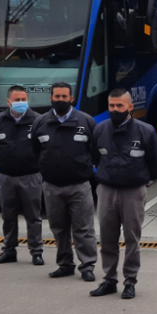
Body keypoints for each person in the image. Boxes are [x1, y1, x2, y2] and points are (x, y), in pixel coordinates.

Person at [89, 88, 157, 299]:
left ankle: (130, 281)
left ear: (130, 107)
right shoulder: (100, 129)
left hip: (133, 192)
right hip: (106, 191)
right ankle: (109, 280)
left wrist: (139, 178)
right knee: (107, 238)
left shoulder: (145, 131)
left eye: (119, 106)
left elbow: (156, 162)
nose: (115, 109)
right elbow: (95, 156)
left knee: (132, 239)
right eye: (111, 106)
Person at [30, 82, 99, 282]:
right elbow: (36, 151)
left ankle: (87, 266)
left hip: (80, 186)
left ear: (71, 98)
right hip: (51, 187)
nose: (60, 100)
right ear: (51, 98)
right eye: (56, 96)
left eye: (64, 97)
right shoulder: (40, 123)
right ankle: (65, 264)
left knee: (83, 228)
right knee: (58, 229)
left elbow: (95, 152)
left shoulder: (86, 122)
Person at [0, 85, 43, 266]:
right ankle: (9, 251)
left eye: (24, 100)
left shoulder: (38, 121)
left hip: (31, 176)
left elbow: (44, 147)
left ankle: (36, 252)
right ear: (9, 102)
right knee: (8, 217)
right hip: (6, 177)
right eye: (17, 100)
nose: (21, 103)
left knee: (33, 217)